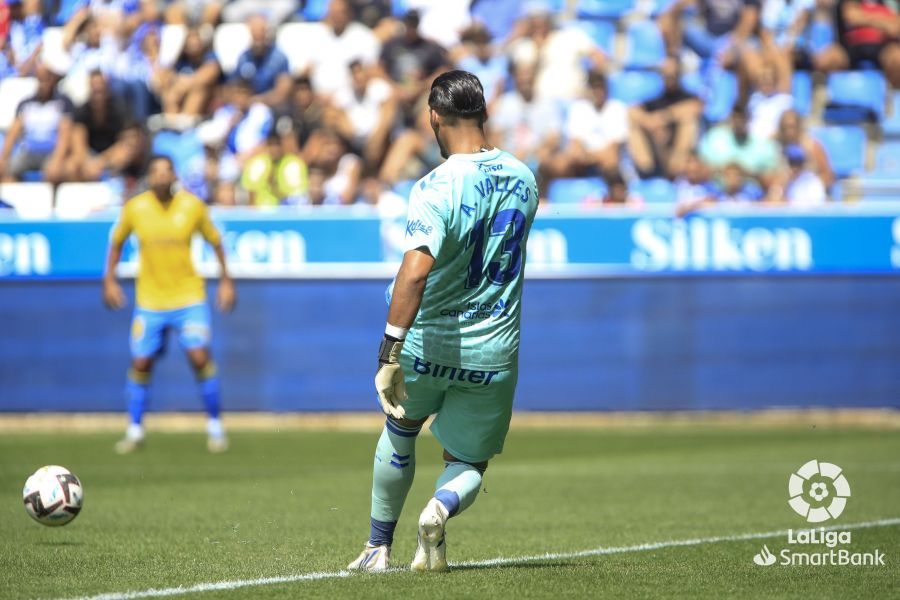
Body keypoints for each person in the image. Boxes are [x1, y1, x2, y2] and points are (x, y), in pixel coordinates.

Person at [347, 70, 538, 572]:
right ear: (484, 112)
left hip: (428, 341)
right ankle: (438, 509)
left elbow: (415, 272)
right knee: (468, 464)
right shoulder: (524, 177)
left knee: (400, 427)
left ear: (435, 117)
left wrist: (389, 352)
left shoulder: (436, 185)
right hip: (492, 347)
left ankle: (376, 547)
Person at [102, 154, 236, 454]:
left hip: (188, 296)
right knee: (141, 362)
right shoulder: (136, 208)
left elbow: (216, 241)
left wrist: (227, 281)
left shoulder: (191, 206)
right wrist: (109, 280)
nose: (162, 176)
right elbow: (117, 241)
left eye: (167, 171)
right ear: (149, 175)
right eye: (156, 171)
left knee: (199, 357)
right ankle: (135, 430)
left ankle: (215, 426)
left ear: (174, 175)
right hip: (150, 300)